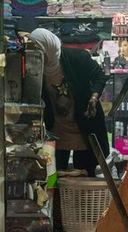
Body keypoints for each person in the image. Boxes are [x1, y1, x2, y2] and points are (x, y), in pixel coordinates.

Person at [28, 28, 109, 176]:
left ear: (48, 46)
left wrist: (93, 97)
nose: (37, 55)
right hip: (58, 129)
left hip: (83, 124)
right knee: (54, 174)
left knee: (85, 174)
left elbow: (100, 76)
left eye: (40, 50)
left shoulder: (76, 57)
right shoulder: (36, 68)